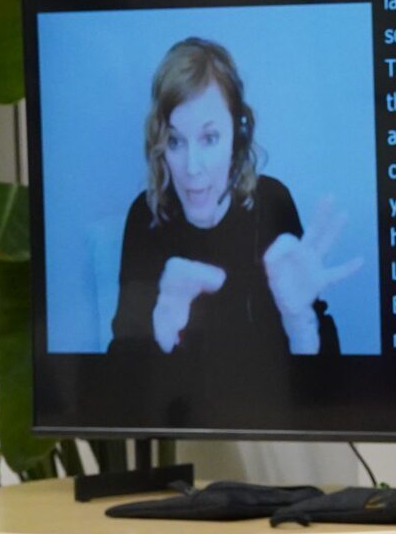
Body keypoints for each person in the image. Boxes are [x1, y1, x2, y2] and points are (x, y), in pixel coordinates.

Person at [108, 37, 360, 362]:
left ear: (237, 136)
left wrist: (300, 324)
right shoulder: (146, 215)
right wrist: (156, 333)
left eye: (209, 138)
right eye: (175, 141)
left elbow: (326, 391)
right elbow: (114, 381)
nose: (192, 167)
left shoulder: (273, 203)